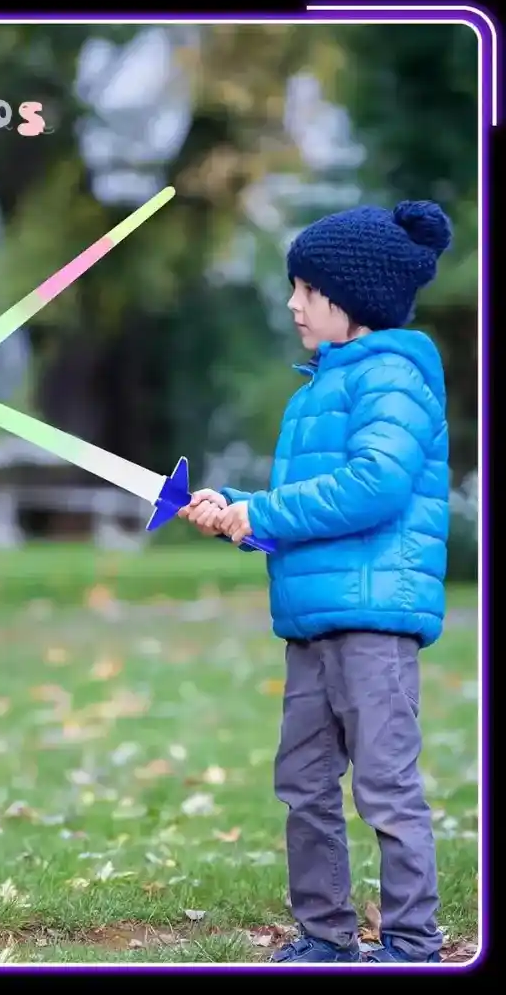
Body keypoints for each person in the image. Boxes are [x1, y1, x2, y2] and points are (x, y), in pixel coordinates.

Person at [179, 200, 453, 965]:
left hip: (374, 618)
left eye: (306, 288)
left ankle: (412, 942)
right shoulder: (317, 390)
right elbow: (312, 510)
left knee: (386, 788)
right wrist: (243, 518)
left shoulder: (392, 377)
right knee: (303, 783)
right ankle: (325, 935)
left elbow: (374, 487)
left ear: (352, 299)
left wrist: (263, 509)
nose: (294, 303)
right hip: (315, 618)